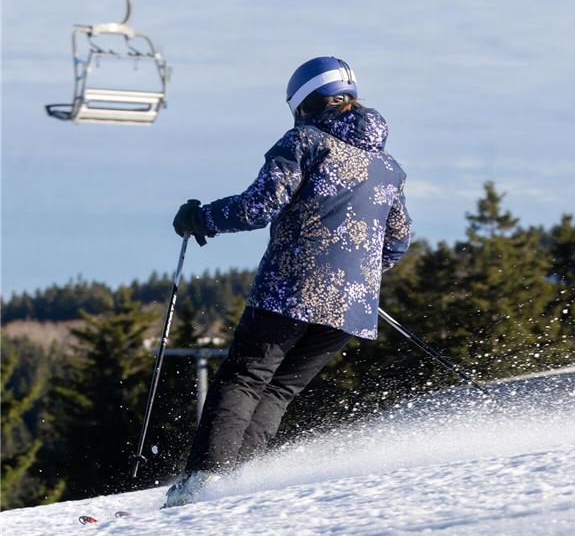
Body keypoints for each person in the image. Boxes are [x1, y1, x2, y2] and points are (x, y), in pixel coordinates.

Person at [165, 56, 412, 507]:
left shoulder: (306, 141)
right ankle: (233, 484)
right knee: (279, 389)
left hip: (292, 289)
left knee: (244, 377)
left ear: (304, 104)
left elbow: (258, 207)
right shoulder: (388, 167)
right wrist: (355, 276)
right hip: (352, 307)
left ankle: (204, 482)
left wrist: (200, 219)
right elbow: (397, 241)